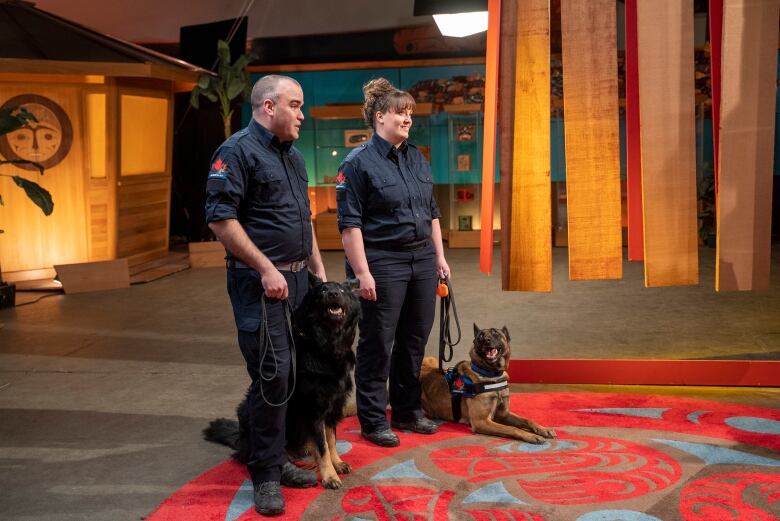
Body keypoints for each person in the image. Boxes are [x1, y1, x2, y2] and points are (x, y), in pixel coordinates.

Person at [204, 74, 326, 516]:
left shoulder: (292, 157)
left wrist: (317, 269)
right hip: (260, 285)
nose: (302, 114)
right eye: (295, 104)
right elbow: (220, 220)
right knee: (273, 378)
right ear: (269, 107)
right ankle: (267, 474)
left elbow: (303, 218)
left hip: (297, 284)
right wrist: (266, 268)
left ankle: (272, 453)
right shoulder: (236, 152)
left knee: (294, 376)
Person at [336, 78, 450, 448]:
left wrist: (440, 256)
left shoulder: (416, 157)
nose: (408, 119)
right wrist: (363, 272)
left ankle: (406, 410)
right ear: (379, 116)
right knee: (377, 343)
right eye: (401, 113)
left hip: (421, 260)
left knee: (414, 340)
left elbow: (431, 212)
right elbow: (349, 225)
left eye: (411, 114)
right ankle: (372, 419)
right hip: (382, 262)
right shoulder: (357, 164)